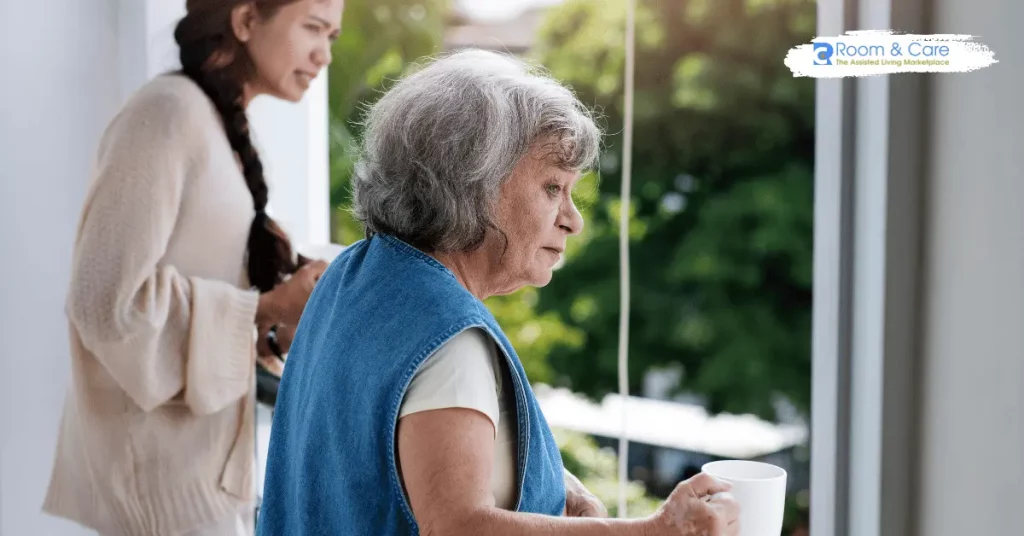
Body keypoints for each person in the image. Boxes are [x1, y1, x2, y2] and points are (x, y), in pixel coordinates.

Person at [257, 49, 740, 536]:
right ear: (475, 183)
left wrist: (554, 484)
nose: (574, 220)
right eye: (553, 187)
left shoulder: (353, 276)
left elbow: (393, 452)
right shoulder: (446, 338)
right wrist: (655, 531)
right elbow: (459, 526)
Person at [41, 1, 344, 535]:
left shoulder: (219, 125)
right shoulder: (166, 112)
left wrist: (272, 328)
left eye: (333, 36)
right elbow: (104, 301)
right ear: (247, 20)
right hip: (154, 493)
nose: (324, 53)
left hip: (203, 484)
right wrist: (267, 306)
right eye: (313, 28)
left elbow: (193, 311)